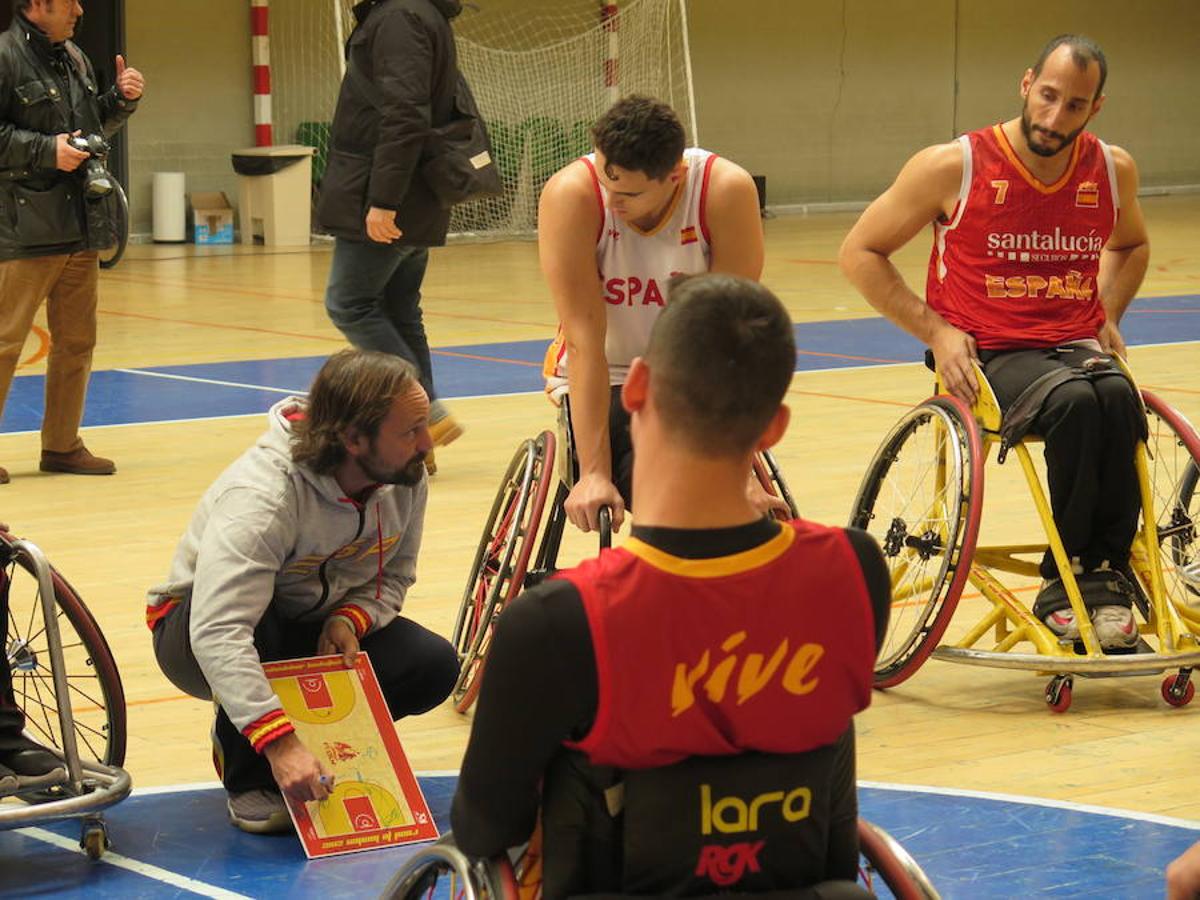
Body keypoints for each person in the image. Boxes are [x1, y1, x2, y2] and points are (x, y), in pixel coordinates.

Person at [453, 274, 890, 897]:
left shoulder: (557, 620)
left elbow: (484, 826)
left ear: (634, 388)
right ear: (775, 426)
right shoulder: (856, 570)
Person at [839, 34, 1150, 650]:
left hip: (1073, 342)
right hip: (988, 353)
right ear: (1026, 82)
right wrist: (936, 330)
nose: (1054, 118)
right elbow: (859, 253)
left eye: (1074, 106)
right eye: (1048, 97)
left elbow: (1131, 245)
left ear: (1097, 108)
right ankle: (1065, 583)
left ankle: (1103, 573)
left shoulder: (1112, 169)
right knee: (1077, 404)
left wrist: (1108, 311)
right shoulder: (954, 165)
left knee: (1118, 397)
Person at [147, 349, 458, 834]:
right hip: (194, 633)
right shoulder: (263, 498)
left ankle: (304, 737)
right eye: (410, 430)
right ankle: (250, 764)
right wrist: (280, 743)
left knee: (432, 664)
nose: (427, 442)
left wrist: (350, 619)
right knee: (259, 621)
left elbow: (394, 574)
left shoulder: (404, 476)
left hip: (311, 618)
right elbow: (219, 629)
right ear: (354, 438)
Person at [539, 95, 770, 534]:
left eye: (628, 193)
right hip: (602, 376)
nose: (612, 202)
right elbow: (585, 341)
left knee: (735, 511)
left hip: (687, 374)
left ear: (675, 176)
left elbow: (722, 342)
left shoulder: (724, 192)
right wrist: (593, 474)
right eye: (608, 185)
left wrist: (738, 474)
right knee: (667, 498)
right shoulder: (573, 195)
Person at [316, 0, 465, 476]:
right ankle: (420, 436)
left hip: (389, 194)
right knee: (401, 310)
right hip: (411, 191)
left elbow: (405, 113)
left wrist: (384, 199)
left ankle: (426, 411)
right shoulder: (413, 14)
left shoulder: (400, 17)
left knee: (350, 303)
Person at [0, 0, 143, 483]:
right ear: (37, 5)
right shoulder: (3, 57)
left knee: (78, 342)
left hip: (80, 225)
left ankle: (62, 445)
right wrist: (45, 151)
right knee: (3, 345)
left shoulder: (75, 57)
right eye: (68, 2)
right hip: (25, 230)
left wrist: (119, 101)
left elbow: (92, 132)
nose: (79, 9)